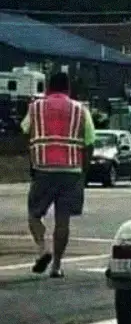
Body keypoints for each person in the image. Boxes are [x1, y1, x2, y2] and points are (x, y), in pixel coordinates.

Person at [20, 71, 95, 278]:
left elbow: (25, 132)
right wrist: (83, 170)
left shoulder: (35, 108)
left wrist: (33, 157)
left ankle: (43, 248)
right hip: (71, 171)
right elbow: (89, 142)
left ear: (48, 88)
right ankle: (57, 266)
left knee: (34, 214)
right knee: (63, 220)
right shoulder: (81, 111)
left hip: (43, 169)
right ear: (68, 89)